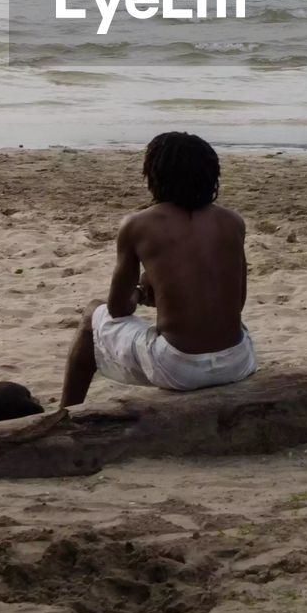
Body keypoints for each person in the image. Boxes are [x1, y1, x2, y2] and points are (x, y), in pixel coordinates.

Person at [59, 131, 255, 407]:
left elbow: (118, 310)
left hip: (178, 367)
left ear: (154, 174)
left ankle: (65, 413)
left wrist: (140, 292)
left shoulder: (138, 225)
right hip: (237, 360)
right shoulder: (233, 221)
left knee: (94, 313)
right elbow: (239, 302)